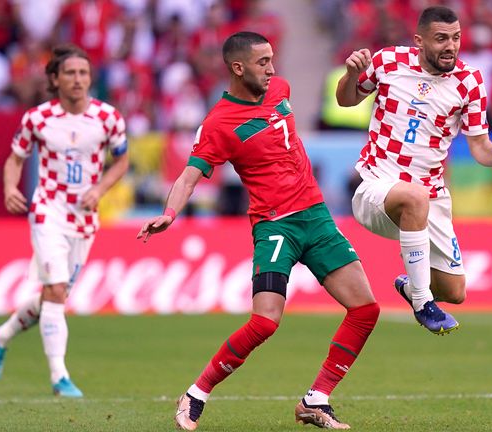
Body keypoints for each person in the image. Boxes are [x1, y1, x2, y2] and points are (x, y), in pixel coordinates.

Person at [137, 32, 379, 431]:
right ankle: (196, 392)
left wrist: (352, 74)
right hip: (275, 226)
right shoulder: (218, 123)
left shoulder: (279, 88)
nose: (271, 68)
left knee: (366, 308)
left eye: (271, 59)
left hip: (316, 218)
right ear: (238, 68)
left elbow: (339, 96)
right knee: (265, 322)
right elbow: (189, 176)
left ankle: (315, 400)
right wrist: (169, 212)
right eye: (262, 61)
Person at [336, 6, 492, 335]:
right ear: (419, 41)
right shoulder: (387, 62)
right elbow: (346, 101)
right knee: (414, 197)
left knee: (454, 292)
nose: (451, 46)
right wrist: (351, 76)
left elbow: (480, 145)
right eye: (441, 39)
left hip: (432, 198)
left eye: (456, 38)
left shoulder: (469, 82)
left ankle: (411, 285)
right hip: (377, 186)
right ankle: (421, 302)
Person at [0, 44, 129, 397]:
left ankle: (1, 336)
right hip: (48, 210)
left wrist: (101, 189)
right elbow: (14, 158)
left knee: (56, 294)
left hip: (84, 218)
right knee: (54, 293)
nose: (78, 79)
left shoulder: (108, 118)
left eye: (83, 73)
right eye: (70, 73)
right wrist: (8, 187)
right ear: (55, 78)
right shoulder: (38, 119)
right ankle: (59, 377)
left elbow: (122, 162)